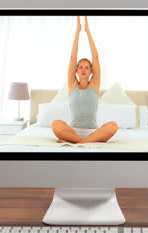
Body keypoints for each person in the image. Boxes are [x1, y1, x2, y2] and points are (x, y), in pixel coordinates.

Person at [51, 16, 118, 144]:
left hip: (93, 132)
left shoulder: (94, 85)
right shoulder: (72, 85)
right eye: (80, 67)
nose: (83, 69)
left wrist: (87, 31)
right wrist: (77, 31)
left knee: (113, 125)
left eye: (87, 67)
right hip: (72, 131)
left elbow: (96, 57)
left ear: (91, 71)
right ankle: (86, 142)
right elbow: (72, 57)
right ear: (76, 70)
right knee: (55, 124)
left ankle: (78, 142)